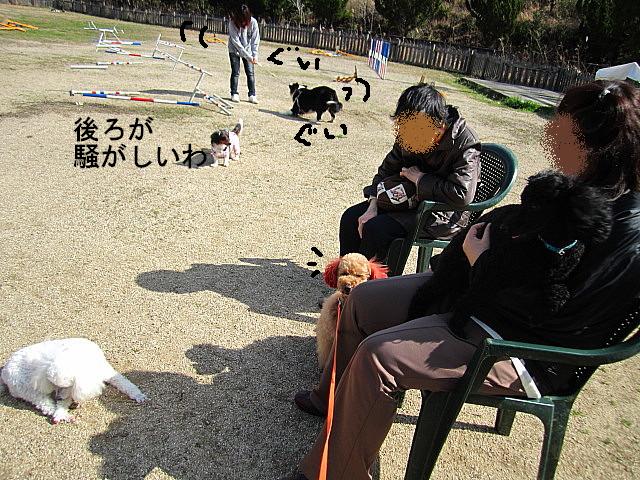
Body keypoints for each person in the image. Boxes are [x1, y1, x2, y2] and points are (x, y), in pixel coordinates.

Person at [285, 79, 640, 480]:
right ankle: (333, 399)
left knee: (379, 356)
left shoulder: (626, 233)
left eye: (562, 127)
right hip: (475, 290)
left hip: (516, 345)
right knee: (362, 300)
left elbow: (551, 314)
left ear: (597, 145)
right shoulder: (581, 188)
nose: (551, 135)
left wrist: (479, 260)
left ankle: (335, 472)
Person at [339, 83, 481, 262]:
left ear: (438, 124)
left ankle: (368, 278)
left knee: (376, 228)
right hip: (405, 202)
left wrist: (421, 179)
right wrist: (372, 205)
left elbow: (462, 194)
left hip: (441, 214)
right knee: (351, 217)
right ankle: (345, 274)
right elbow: (386, 171)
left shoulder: (465, 141)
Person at [227, 4, 260, 104]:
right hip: (234, 50)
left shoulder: (253, 23)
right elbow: (236, 42)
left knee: (250, 73)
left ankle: (252, 95)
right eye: (241, 20)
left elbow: (255, 40)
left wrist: (254, 55)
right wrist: (248, 56)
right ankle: (234, 93)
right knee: (235, 72)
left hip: (248, 50)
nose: (243, 23)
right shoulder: (232, 23)